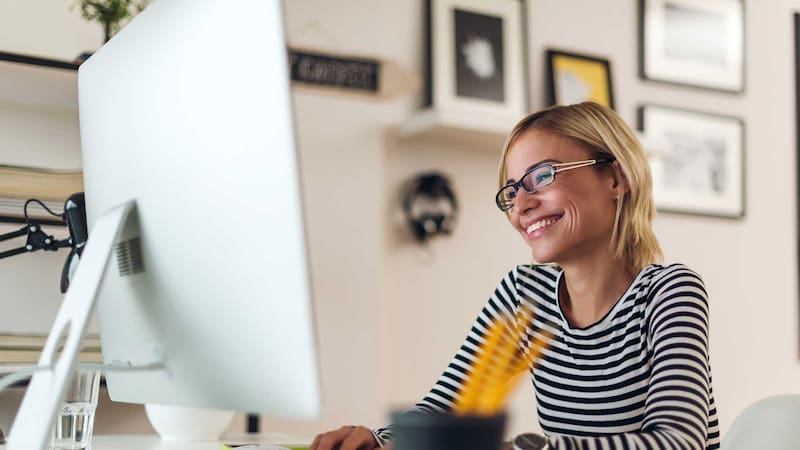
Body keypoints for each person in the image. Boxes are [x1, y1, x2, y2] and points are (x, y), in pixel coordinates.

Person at [310, 102, 719, 450]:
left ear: (615, 178)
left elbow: (677, 442)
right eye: (510, 191)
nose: (520, 204)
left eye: (541, 176)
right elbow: (451, 409)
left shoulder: (668, 292)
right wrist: (381, 441)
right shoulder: (526, 294)